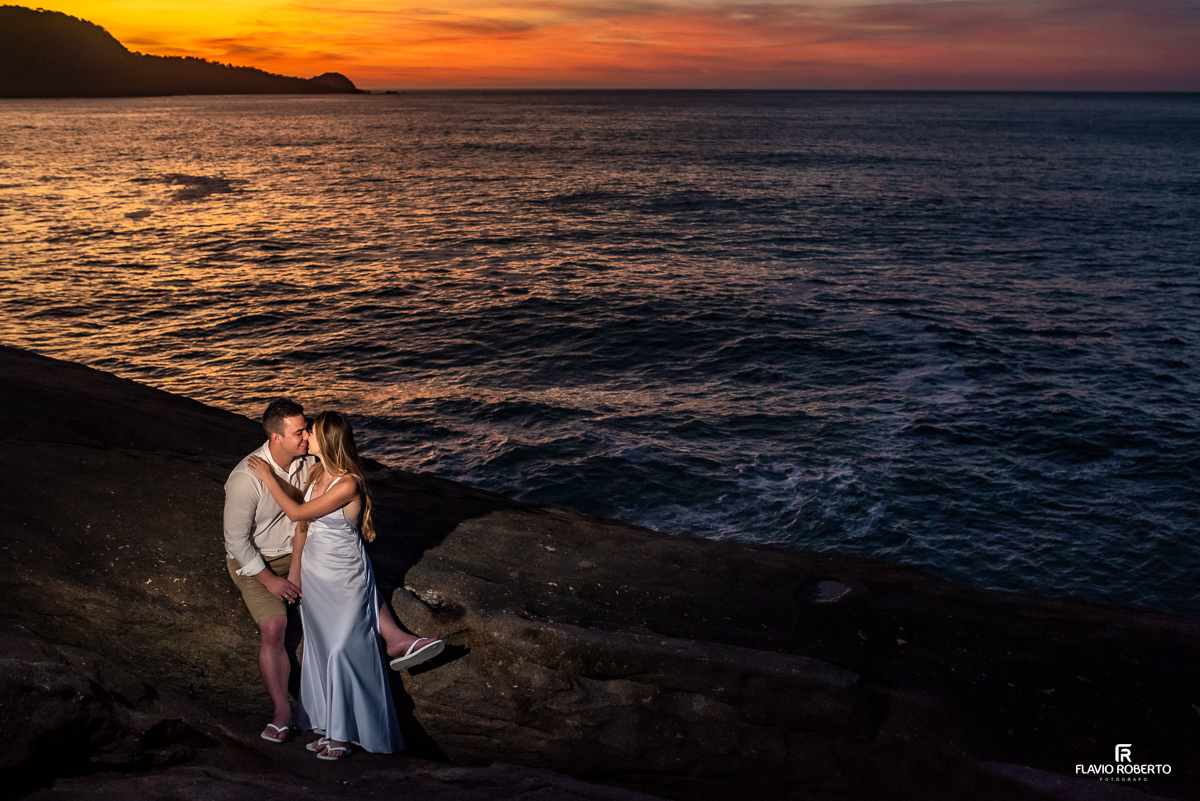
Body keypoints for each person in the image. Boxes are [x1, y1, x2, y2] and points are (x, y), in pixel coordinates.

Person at [248, 410, 443, 760]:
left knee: (342, 649)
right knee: (321, 653)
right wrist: (294, 573)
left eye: (313, 433)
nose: (306, 437)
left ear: (330, 440)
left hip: (345, 575)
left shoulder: (349, 483)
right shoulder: (315, 473)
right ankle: (330, 728)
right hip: (314, 576)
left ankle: (345, 734)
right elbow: (301, 531)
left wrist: (268, 477)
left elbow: (296, 514)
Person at [224, 398, 313, 745]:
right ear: (276, 437)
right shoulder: (246, 478)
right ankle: (282, 710)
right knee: (275, 628)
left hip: (299, 553)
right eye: (300, 432)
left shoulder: (309, 463)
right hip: (255, 561)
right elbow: (235, 542)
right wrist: (270, 580)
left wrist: (295, 570)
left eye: (306, 428)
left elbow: (305, 518)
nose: (307, 436)